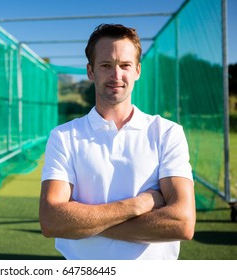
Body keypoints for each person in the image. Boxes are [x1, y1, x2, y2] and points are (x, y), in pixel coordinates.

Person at [39, 23, 196, 260]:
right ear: (91, 71)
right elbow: (52, 221)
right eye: (105, 65)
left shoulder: (167, 132)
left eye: (125, 65)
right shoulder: (63, 136)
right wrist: (138, 205)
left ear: (137, 71)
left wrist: (84, 225)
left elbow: (182, 223)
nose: (116, 75)